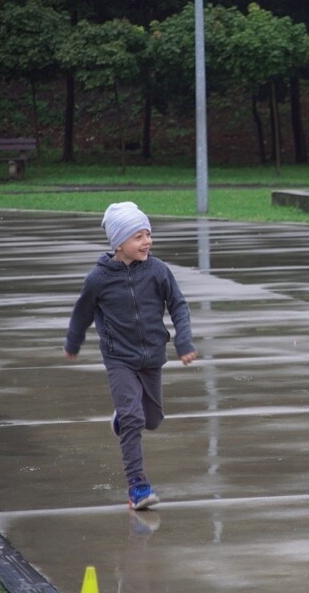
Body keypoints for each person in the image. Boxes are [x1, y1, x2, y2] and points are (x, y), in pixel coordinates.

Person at [64, 202, 198, 509]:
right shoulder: (98, 279)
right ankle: (138, 487)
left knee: (152, 419)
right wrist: (73, 341)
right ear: (119, 243)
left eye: (148, 234)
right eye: (138, 236)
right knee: (134, 418)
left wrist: (184, 341)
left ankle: (122, 418)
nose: (147, 241)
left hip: (152, 356)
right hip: (119, 358)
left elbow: (178, 305)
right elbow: (82, 312)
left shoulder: (157, 270)